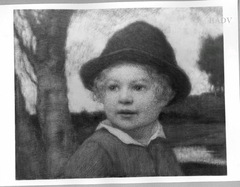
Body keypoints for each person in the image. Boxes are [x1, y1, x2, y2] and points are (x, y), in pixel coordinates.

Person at [64, 21, 191, 178]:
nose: (124, 98)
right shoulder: (97, 150)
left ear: (164, 95)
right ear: (100, 92)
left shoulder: (160, 145)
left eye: (138, 87)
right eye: (113, 87)